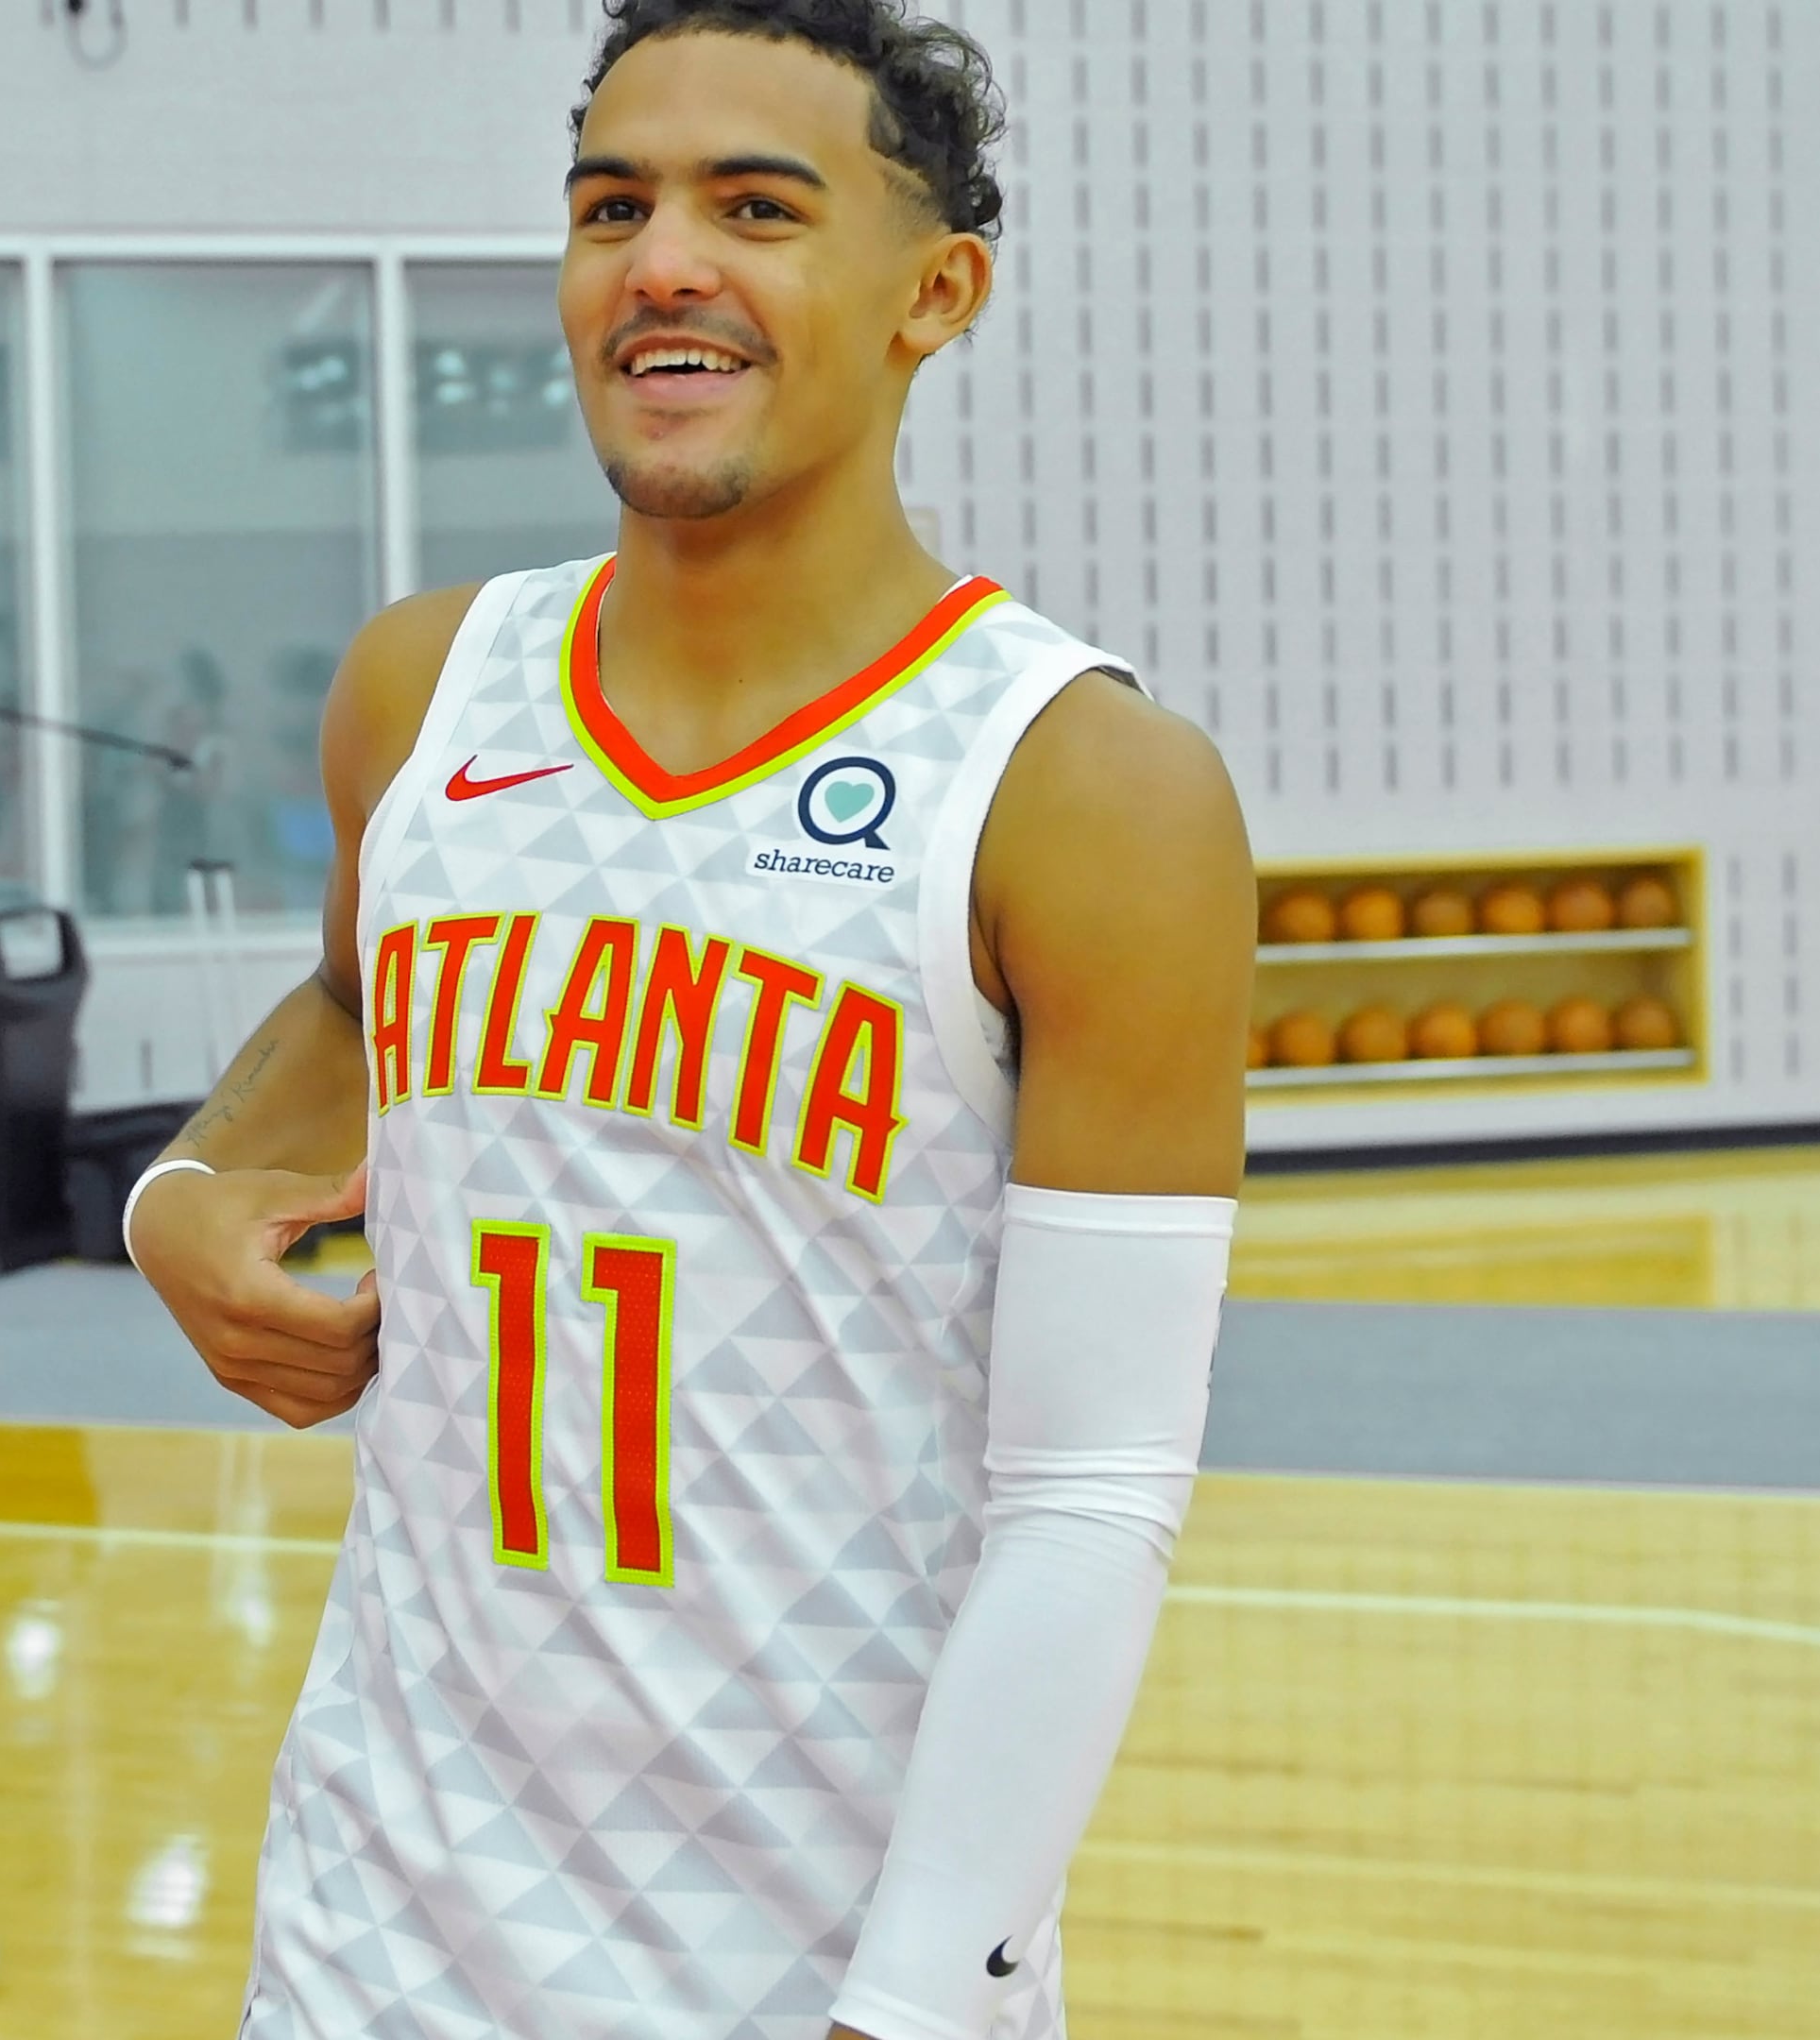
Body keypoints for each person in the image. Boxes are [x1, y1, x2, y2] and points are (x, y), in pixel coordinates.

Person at [124, 5, 1252, 2036]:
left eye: (756, 207)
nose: (661, 263)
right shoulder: (424, 691)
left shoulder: (1083, 788)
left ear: (936, 291)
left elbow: (1090, 1490)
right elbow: (340, 1000)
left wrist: (913, 1997)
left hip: (815, 1948)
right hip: (377, 1916)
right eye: (610, 205)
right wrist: (182, 1194)